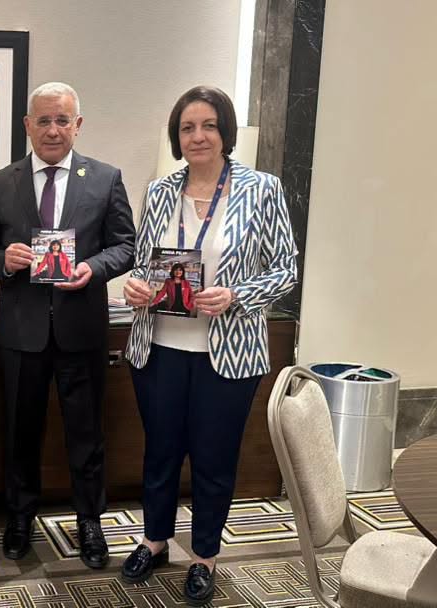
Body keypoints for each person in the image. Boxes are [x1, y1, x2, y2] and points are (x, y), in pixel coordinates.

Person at [120, 86, 297, 606]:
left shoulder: (262, 189)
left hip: (228, 353)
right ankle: (154, 541)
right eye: (187, 128)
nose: (198, 136)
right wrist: (136, 285)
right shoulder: (159, 191)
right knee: (160, 451)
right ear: (177, 138)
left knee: (214, 458)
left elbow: (285, 269)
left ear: (226, 132)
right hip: (159, 346)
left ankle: (204, 556)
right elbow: (145, 263)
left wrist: (237, 295)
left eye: (209, 126)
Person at [0, 82, 135, 569]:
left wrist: (94, 268)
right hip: (21, 331)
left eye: (62, 120)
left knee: (86, 434)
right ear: (27, 125)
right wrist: (4, 260)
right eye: (43, 120)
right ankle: (20, 518)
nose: (52, 129)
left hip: (80, 329)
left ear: (77, 125)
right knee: (20, 432)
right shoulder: (1, 183)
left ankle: (90, 521)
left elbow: (126, 245)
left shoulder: (105, 178)